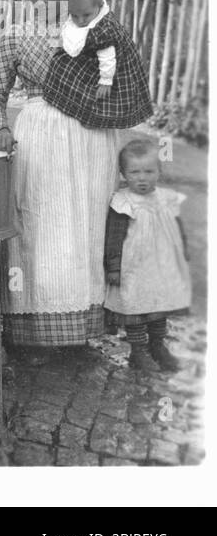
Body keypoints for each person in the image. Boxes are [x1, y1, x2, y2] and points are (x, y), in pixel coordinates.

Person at [0, 0, 121, 359]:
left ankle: (81, 327)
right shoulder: (14, 35)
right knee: (41, 226)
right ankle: (35, 332)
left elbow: (119, 78)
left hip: (90, 138)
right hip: (40, 136)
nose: (39, 0)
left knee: (86, 226)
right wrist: (1, 129)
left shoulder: (94, 30)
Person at [104, 139, 189, 371]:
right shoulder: (124, 202)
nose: (142, 178)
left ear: (159, 171)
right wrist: (113, 267)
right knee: (136, 309)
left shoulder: (165, 199)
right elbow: (114, 236)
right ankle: (138, 351)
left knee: (159, 306)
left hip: (161, 267)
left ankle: (157, 345)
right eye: (135, 172)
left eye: (149, 171)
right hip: (133, 269)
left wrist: (183, 255)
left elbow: (177, 228)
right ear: (123, 173)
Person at [41, 0, 153, 130]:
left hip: (111, 66)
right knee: (60, 65)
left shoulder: (104, 30)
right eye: (74, 15)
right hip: (93, 56)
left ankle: (93, 119)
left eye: (86, 15)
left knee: (99, 97)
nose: (80, 21)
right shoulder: (81, 13)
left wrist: (105, 81)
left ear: (99, 6)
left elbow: (108, 59)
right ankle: (63, 101)